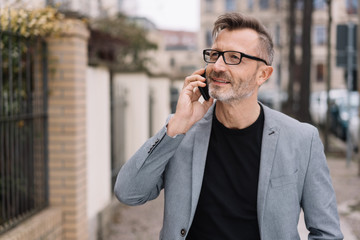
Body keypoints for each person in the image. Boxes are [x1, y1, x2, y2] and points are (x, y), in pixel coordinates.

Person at [114, 12, 343, 240]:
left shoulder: (302, 139)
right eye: (215, 55)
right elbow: (128, 193)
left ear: (263, 74)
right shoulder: (180, 132)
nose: (218, 66)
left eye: (234, 57)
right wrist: (177, 126)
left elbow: (327, 232)